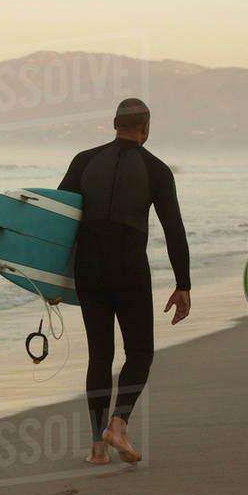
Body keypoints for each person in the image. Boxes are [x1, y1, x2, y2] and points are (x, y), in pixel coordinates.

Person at [58, 98, 191, 465]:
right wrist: (183, 283)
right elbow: (174, 230)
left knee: (100, 355)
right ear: (146, 128)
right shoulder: (157, 170)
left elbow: (60, 219)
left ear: (114, 123)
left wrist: (54, 279)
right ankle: (118, 425)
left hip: (88, 269)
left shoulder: (84, 161)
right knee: (140, 352)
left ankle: (98, 449)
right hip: (129, 269)